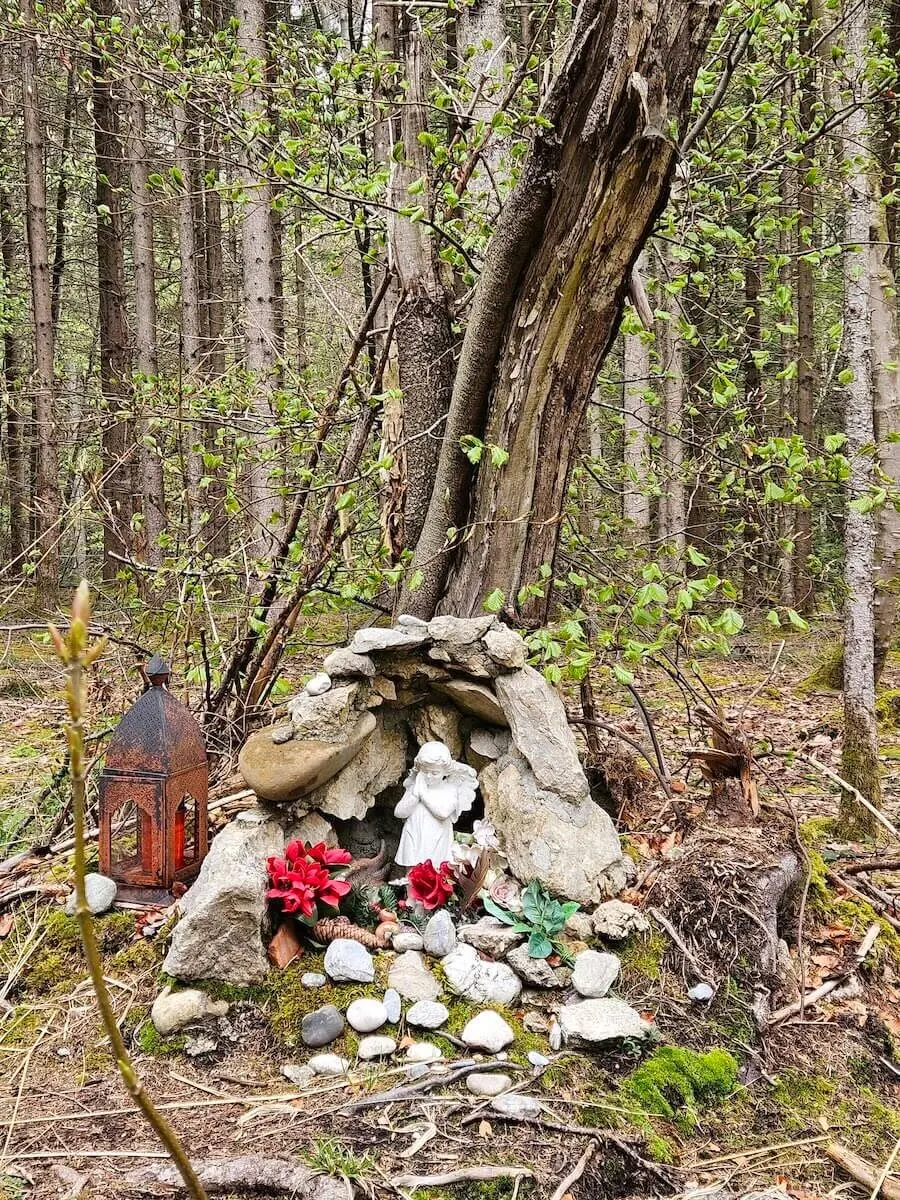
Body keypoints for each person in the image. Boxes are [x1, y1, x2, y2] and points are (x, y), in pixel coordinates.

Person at [394, 741, 476, 868]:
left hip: (437, 838)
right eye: (425, 772)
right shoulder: (415, 788)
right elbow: (399, 812)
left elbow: (443, 813)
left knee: (435, 872)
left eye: (435, 773)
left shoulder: (450, 789)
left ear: (445, 772)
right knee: (412, 874)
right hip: (414, 836)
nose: (429, 776)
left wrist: (423, 795)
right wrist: (415, 795)